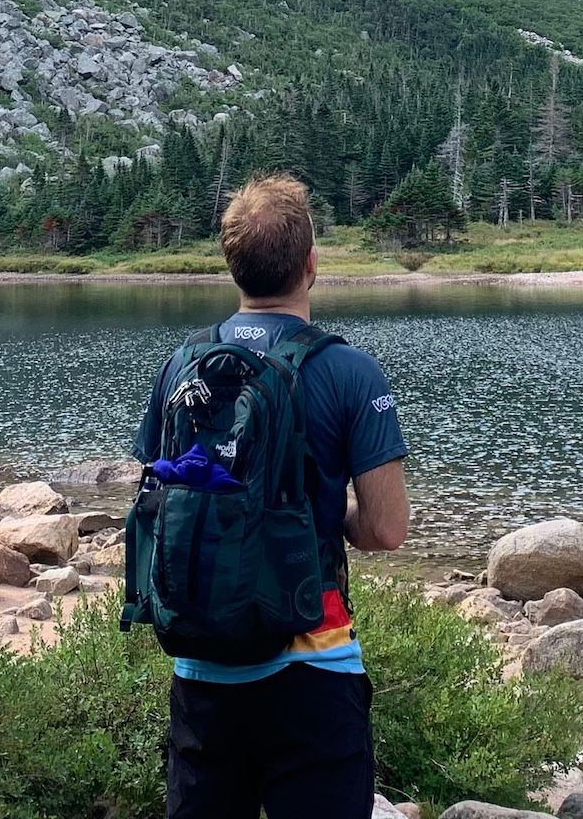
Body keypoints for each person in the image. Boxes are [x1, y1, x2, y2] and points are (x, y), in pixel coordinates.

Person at [133, 173, 410, 819]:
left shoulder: (181, 366)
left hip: (202, 676)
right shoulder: (349, 373)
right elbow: (387, 529)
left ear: (232, 266)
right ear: (311, 265)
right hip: (314, 672)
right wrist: (332, 509)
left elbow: (159, 496)